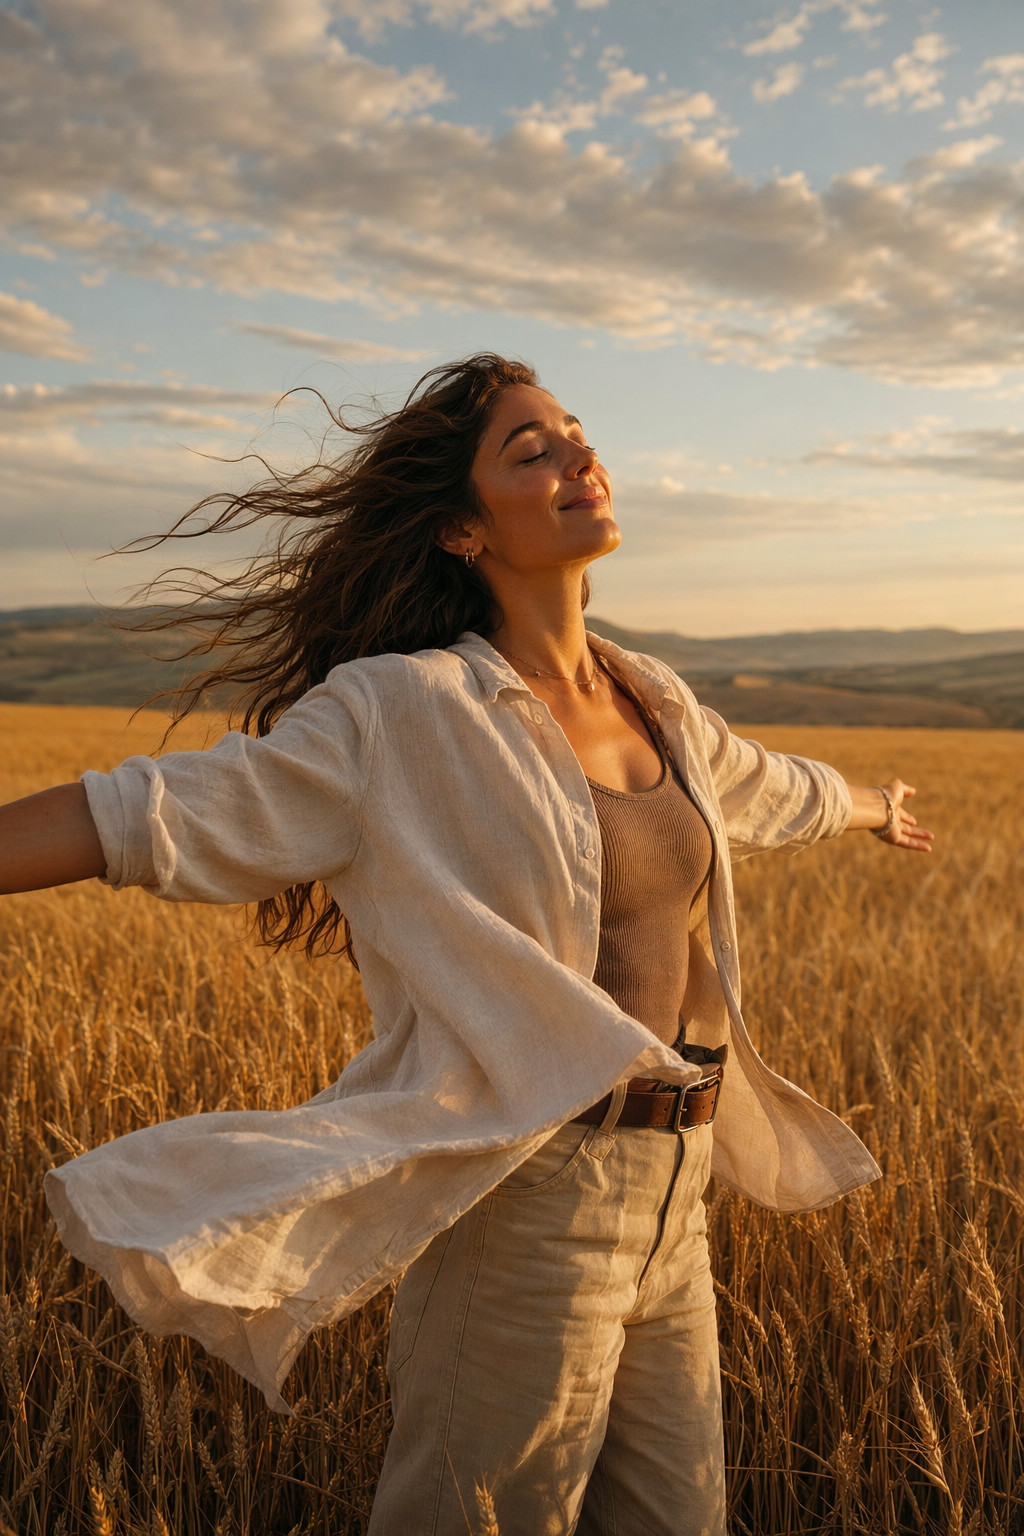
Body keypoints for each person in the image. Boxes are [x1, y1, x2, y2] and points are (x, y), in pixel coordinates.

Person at [0, 354, 932, 1536]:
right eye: (529, 451)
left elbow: (764, 787)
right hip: (533, 1198)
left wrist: (869, 803)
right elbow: (145, 814)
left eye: (575, 434)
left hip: (677, 1195)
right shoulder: (403, 713)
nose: (576, 458)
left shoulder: (653, 696)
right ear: (458, 529)